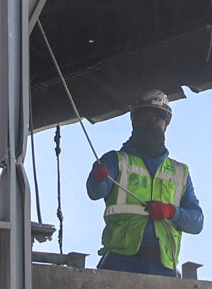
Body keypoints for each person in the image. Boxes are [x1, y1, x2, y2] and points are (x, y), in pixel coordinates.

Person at [85, 90, 203, 277]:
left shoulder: (181, 172)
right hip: (120, 262)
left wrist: (171, 211)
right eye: (145, 118)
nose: (152, 124)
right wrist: (98, 177)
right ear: (134, 121)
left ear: (166, 125)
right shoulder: (116, 160)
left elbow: (196, 222)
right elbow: (95, 192)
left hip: (163, 267)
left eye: (158, 119)